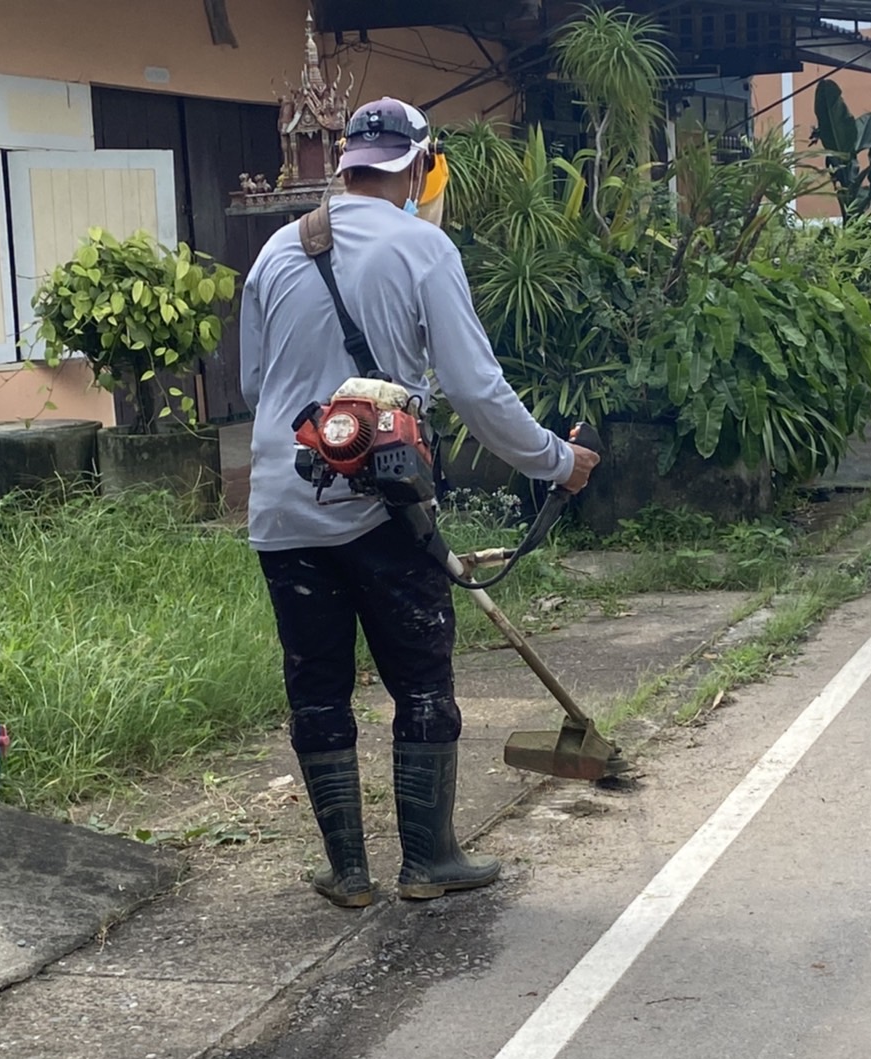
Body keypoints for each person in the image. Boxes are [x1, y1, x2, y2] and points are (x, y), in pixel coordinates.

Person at [239, 97, 600, 908]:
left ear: (346, 164)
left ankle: (348, 871)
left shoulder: (274, 251)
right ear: (422, 165)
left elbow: (257, 388)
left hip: (284, 508)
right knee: (422, 680)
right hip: (383, 508)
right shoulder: (422, 246)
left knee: (318, 687)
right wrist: (555, 461)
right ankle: (428, 861)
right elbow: (477, 387)